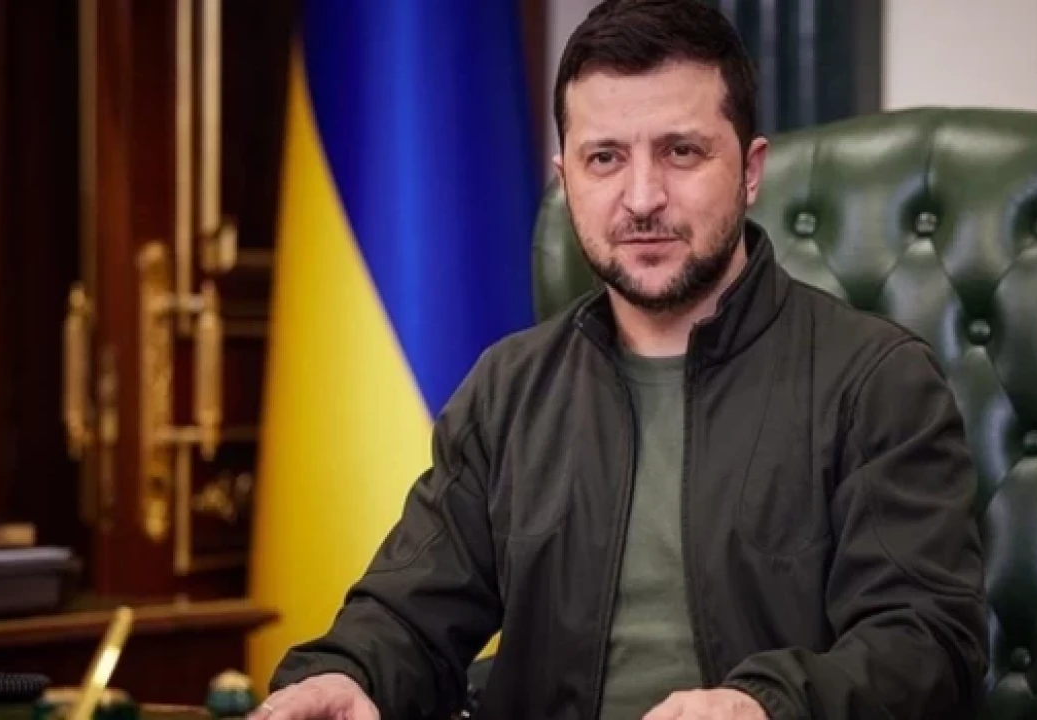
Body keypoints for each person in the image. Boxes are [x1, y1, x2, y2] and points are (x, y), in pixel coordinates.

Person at [254, 0, 988, 718]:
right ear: (565, 176)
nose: (642, 198)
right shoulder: (509, 390)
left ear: (750, 169)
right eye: (604, 158)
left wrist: (763, 706)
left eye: (681, 152)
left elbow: (926, 649)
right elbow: (408, 616)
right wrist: (350, 675)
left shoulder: (877, 381)